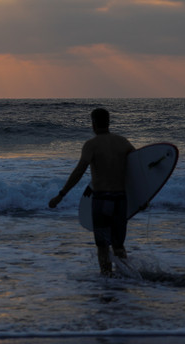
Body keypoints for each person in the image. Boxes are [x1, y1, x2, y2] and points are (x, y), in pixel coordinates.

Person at [49, 108, 135, 276]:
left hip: (102, 200)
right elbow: (138, 171)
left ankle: (106, 280)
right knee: (118, 245)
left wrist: (61, 195)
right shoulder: (123, 142)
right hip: (120, 199)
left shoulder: (92, 145)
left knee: (103, 245)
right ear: (108, 122)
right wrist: (143, 197)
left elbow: (79, 171)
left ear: (93, 123)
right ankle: (126, 278)